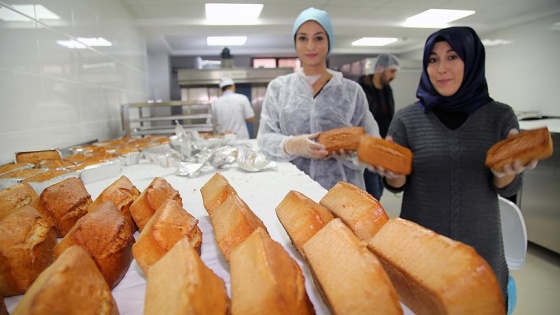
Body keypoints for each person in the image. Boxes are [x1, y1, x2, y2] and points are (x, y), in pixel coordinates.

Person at [366, 26, 538, 313]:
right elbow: (398, 184)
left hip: (481, 248)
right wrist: (391, 174)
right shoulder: (407, 119)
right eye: (433, 60)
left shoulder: (500, 116)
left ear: (471, 61)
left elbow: (507, 186)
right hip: (418, 252)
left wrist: (506, 170)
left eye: (452, 57)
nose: (441, 69)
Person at [257, 7, 379, 190]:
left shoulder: (351, 92)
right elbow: (265, 139)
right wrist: (291, 145)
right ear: (295, 42)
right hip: (292, 192)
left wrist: (351, 152)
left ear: (329, 41)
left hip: (344, 194)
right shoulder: (279, 89)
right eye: (303, 38)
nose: (310, 46)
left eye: (319, 37)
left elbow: (372, 143)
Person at [358, 54, 400, 200]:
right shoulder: (362, 90)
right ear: (381, 68)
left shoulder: (387, 90)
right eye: (392, 71)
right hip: (368, 147)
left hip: (383, 146)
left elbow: (390, 115)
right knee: (372, 191)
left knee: (380, 188)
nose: (394, 76)